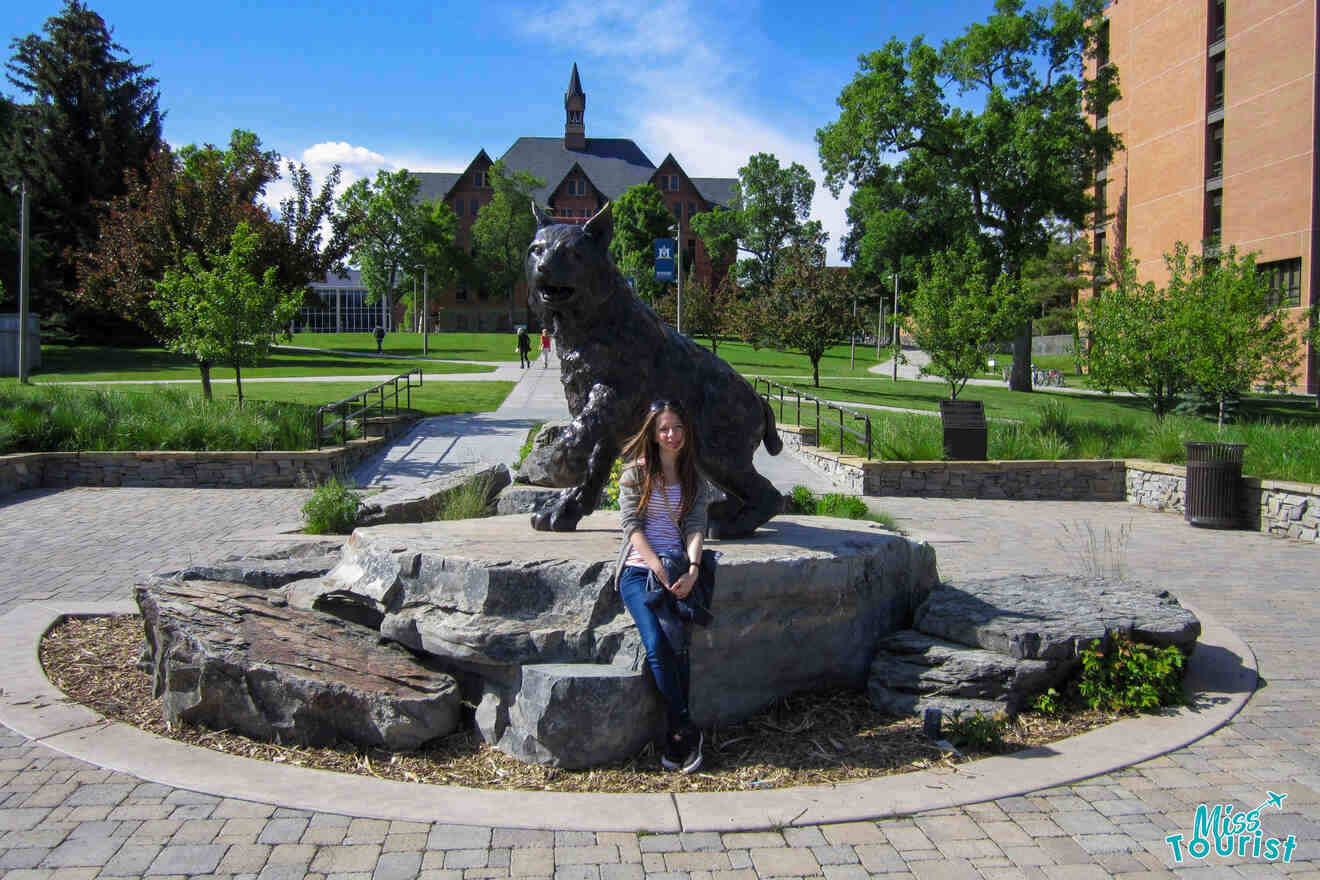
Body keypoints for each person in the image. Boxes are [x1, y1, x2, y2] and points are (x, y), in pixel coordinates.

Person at [614, 399, 715, 774]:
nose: (672, 435)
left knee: (678, 644)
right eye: (664, 429)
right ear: (653, 436)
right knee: (656, 643)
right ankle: (685, 726)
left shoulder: (694, 479)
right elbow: (631, 526)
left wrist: (692, 570)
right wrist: (656, 567)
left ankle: (678, 734)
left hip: (678, 569)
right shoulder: (634, 474)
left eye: (678, 428)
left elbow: (695, 528)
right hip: (639, 572)